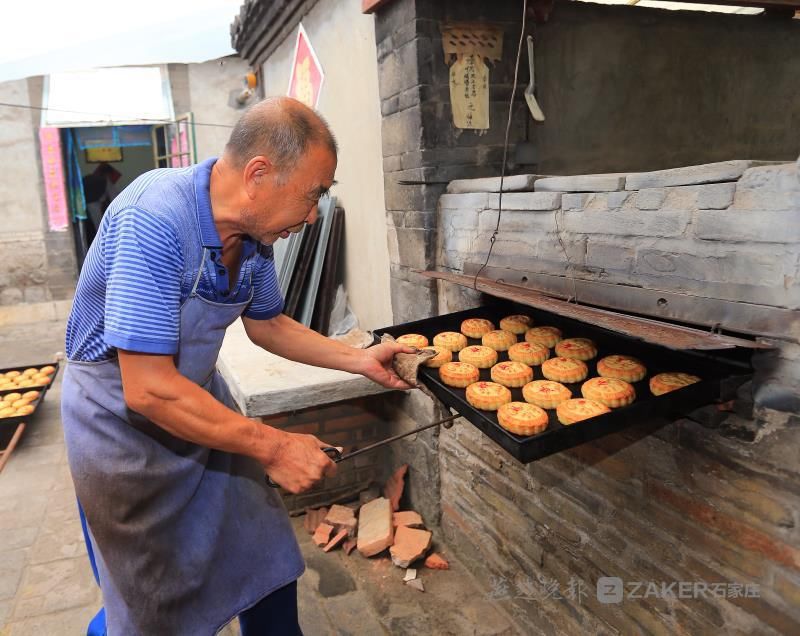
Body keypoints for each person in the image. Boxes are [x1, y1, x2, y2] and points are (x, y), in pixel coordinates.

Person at [61, 96, 413, 636]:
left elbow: (268, 324)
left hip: (200, 406)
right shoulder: (153, 219)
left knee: (266, 559)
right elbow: (149, 389)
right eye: (314, 192)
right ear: (258, 174)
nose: (314, 212)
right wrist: (273, 446)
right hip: (123, 432)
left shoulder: (251, 237)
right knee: (153, 603)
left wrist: (359, 359)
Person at [82, 162, 122, 237]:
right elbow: (114, 196)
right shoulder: (105, 180)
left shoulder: (87, 177)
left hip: (82, 205)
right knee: (99, 227)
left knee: (87, 228)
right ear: (108, 174)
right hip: (94, 204)